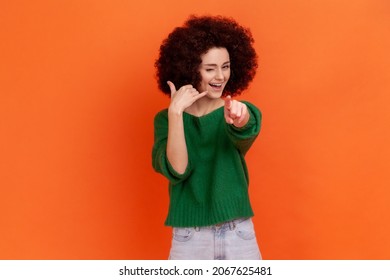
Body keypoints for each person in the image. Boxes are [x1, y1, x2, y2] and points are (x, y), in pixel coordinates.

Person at [152, 15, 262, 260]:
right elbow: (178, 169)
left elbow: (247, 127)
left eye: (226, 66)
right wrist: (175, 113)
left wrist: (241, 118)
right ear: (191, 69)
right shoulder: (165, 120)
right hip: (190, 238)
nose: (221, 76)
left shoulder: (231, 111)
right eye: (210, 68)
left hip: (238, 234)